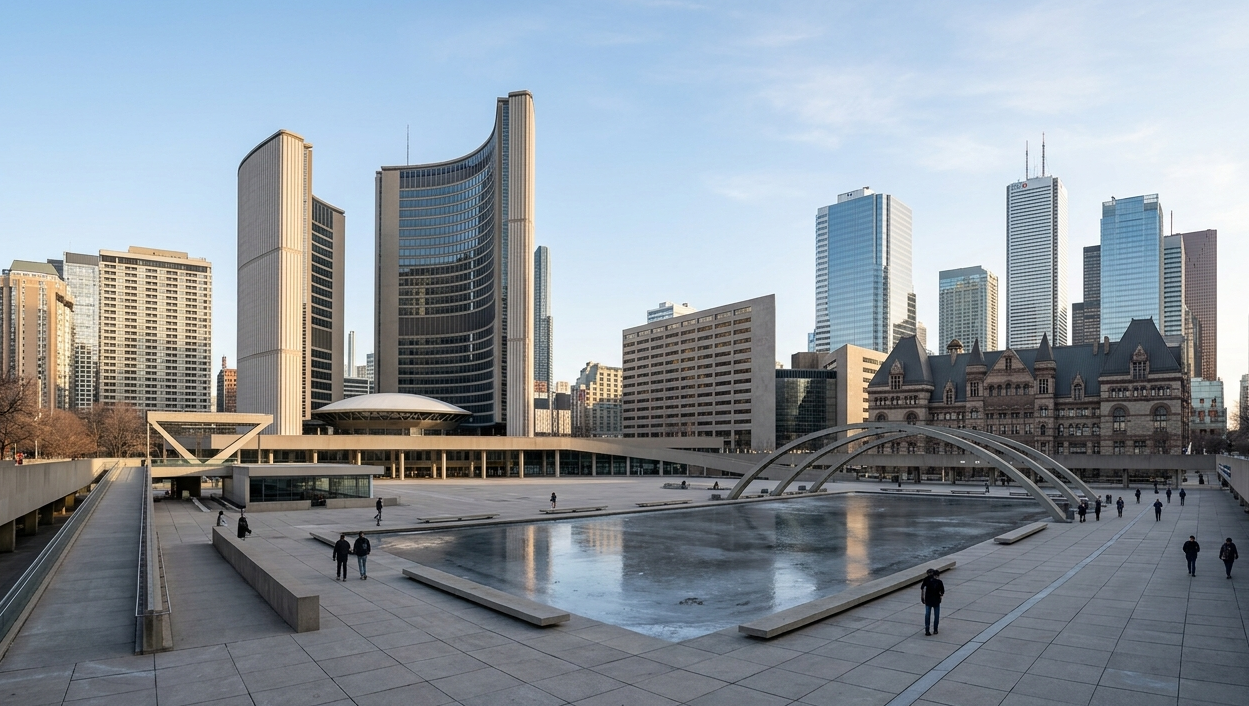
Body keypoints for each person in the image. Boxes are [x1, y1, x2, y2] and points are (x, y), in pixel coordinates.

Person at [920, 568, 944, 636]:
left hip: (928, 600)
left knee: (927, 615)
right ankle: (935, 629)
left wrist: (922, 598)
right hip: (936, 601)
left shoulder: (927, 580)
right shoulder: (939, 582)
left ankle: (927, 630)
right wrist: (940, 596)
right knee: (936, 616)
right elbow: (942, 592)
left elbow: (923, 589)